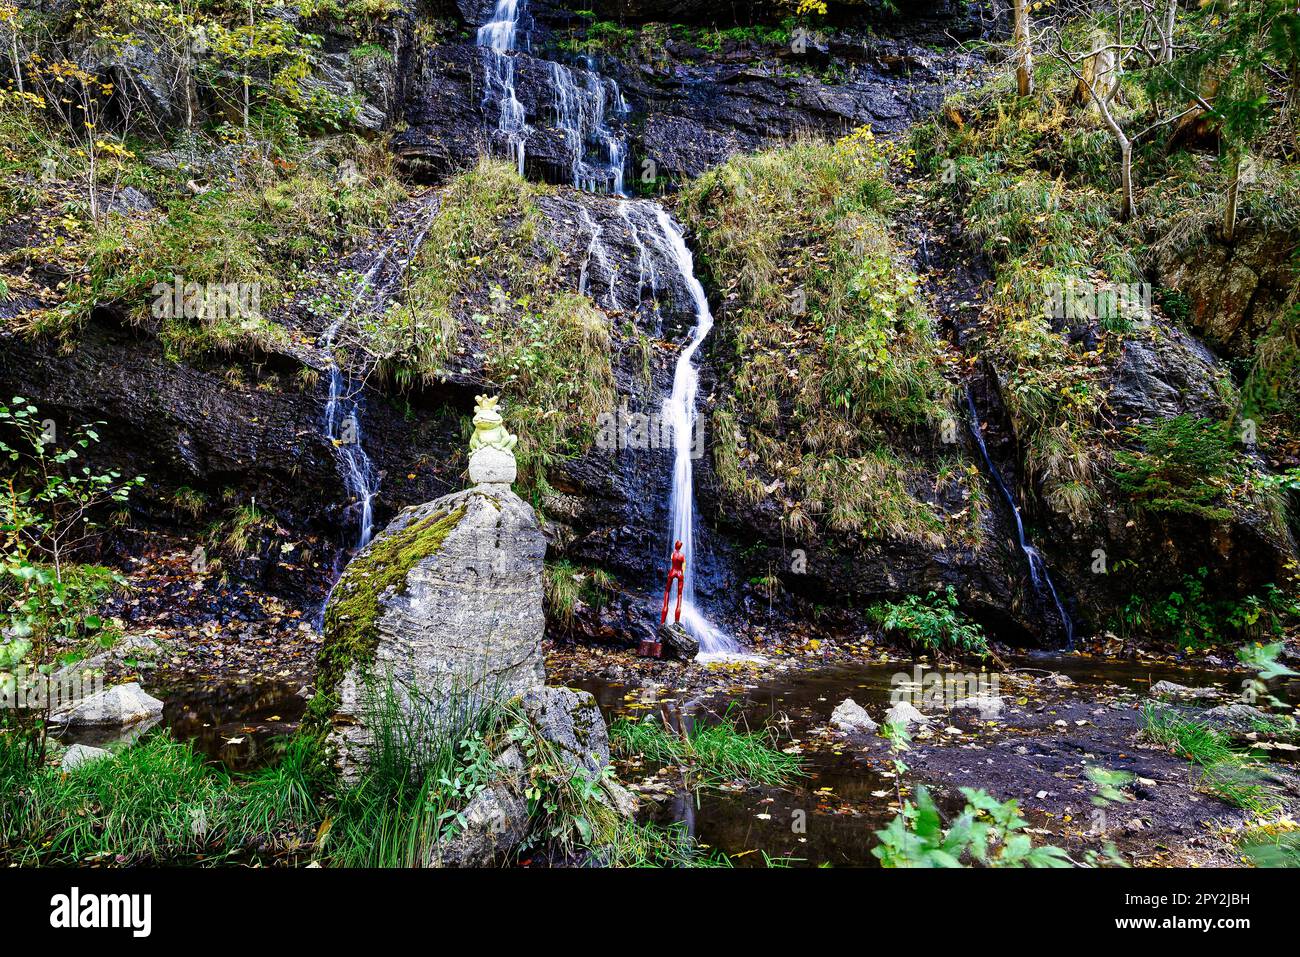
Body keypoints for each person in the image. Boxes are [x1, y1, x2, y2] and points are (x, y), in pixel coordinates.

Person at [661, 539, 685, 626]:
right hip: (679, 573)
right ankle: (676, 621)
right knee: (679, 595)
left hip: (672, 572)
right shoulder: (682, 556)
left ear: (676, 546)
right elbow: (684, 567)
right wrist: (682, 575)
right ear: (681, 546)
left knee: (667, 592)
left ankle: (662, 622)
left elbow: (672, 560)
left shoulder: (672, 554)